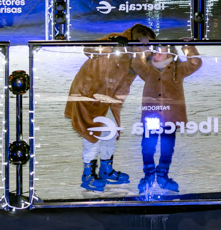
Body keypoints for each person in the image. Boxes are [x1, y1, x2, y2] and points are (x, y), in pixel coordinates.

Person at [64, 23, 161, 192]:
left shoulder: (140, 55)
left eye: (148, 44)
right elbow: (89, 50)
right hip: (89, 93)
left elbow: (150, 75)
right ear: (135, 39)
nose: (146, 47)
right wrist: (110, 44)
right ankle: (87, 174)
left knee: (111, 132)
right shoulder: (116, 40)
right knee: (94, 132)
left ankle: (106, 170)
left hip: (110, 99)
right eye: (143, 43)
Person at [136, 42, 203, 198]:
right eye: (155, 51)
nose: (157, 54)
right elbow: (136, 63)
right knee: (148, 146)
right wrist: (143, 52)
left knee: (167, 147)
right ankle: (149, 175)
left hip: (170, 115)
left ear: (170, 53)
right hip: (151, 114)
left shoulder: (178, 69)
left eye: (161, 51)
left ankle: (163, 175)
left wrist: (187, 46)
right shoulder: (148, 69)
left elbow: (195, 62)